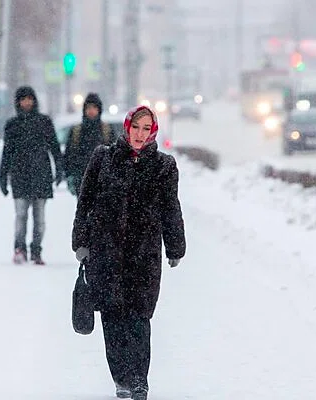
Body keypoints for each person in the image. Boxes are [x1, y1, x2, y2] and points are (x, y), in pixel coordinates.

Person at [71, 105, 186, 400]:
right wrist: (81, 242)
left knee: (138, 317)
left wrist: (175, 245)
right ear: (126, 127)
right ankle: (121, 378)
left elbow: (170, 208)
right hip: (106, 252)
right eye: (136, 127)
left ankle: (139, 381)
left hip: (143, 255)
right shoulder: (103, 158)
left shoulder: (163, 166)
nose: (139, 134)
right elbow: (85, 202)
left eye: (146, 129)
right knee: (112, 318)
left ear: (153, 132)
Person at [0, 86, 64, 265]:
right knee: (20, 215)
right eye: (23, 99)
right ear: (18, 102)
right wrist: (3, 177)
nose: (26, 103)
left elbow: (54, 147)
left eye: (29, 99)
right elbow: (7, 153)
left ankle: (36, 250)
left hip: (41, 176)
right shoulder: (12, 125)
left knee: (39, 218)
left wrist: (59, 169)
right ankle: (19, 248)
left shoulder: (44, 122)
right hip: (20, 176)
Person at [64, 93, 115, 197]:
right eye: (89, 107)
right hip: (81, 180)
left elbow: (115, 154)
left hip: (103, 181)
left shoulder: (107, 130)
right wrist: (70, 176)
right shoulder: (76, 131)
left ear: (99, 109)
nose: (91, 111)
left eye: (94, 107)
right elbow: (69, 154)